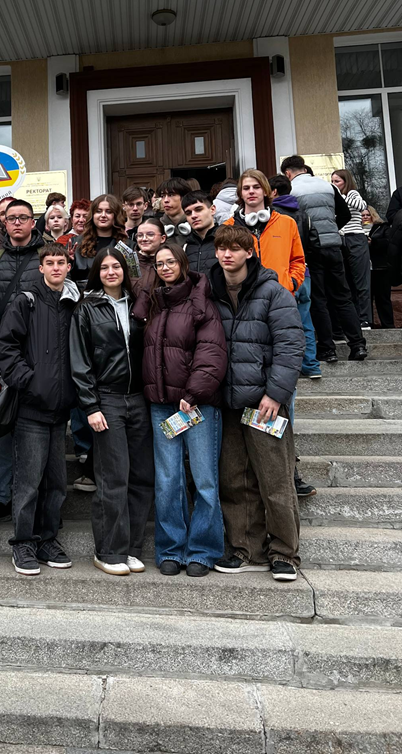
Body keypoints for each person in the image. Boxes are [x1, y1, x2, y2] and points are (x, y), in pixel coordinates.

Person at [208, 225, 304, 583]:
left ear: (250, 252)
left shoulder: (273, 292)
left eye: (235, 248)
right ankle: (247, 549)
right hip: (228, 403)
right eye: (221, 248)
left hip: (265, 403)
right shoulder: (210, 291)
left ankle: (284, 553)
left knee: (275, 480)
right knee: (234, 481)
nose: (226, 254)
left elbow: (290, 345)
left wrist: (276, 394)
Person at [135, 241, 227, 577]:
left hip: (196, 405)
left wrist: (194, 392)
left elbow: (212, 351)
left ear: (183, 264)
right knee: (167, 480)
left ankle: (202, 550)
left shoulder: (200, 301)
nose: (165, 268)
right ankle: (171, 548)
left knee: (204, 479)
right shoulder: (154, 303)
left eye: (171, 261)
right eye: (159, 263)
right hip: (162, 405)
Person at [0, 242, 79, 575]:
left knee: (56, 483)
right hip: (31, 408)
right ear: (41, 267)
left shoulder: (74, 303)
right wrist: (30, 382)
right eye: (50, 262)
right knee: (28, 482)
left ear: (68, 266)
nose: (56, 267)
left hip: (61, 410)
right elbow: (7, 348)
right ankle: (23, 543)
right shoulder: (26, 301)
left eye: (61, 262)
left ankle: (47, 540)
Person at [71, 248, 152, 577]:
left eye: (116, 266)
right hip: (107, 399)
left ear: (125, 270)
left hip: (140, 399)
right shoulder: (87, 308)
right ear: (97, 273)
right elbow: (79, 361)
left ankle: (131, 548)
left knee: (141, 477)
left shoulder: (139, 305)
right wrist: (90, 405)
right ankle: (108, 550)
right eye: (104, 267)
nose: (110, 272)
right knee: (113, 477)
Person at [0, 199, 45, 525]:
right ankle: (1, 495)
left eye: (23, 217)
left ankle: (37, 499)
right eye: (12, 218)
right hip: (1, 354)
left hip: (39, 353)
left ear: (33, 222)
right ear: (3, 223)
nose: (17, 222)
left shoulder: (46, 257)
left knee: (36, 430)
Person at [281, 155, 366, 362]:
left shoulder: (292, 190)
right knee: (343, 296)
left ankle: (327, 348)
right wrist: (331, 230)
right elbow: (345, 214)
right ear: (304, 168)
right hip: (334, 246)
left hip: (312, 250)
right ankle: (358, 345)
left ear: (288, 173)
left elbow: (295, 221)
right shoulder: (329, 186)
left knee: (318, 299)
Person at [268, 174, 321, 382]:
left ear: (273, 192)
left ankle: (286, 367)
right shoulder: (303, 213)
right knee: (305, 320)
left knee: (280, 323)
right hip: (303, 273)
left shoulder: (272, 215)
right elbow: (315, 243)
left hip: (282, 274)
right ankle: (311, 365)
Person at [226, 170, 305, 295]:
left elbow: (297, 260)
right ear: (240, 193)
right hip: (245, 297)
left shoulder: (287, 223)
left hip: (281, 295)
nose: (251, 191)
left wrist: (291, 283)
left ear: (265, 191)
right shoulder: (228, 227)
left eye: (256, 187)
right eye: (246, 188)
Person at [331, 169, 372, 329]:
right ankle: (352, 319)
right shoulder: (333, 198)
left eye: (337, 181)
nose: (334, 184)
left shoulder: (352, 193)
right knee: (346, 283)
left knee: (361, 282)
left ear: (345, 182)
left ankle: (365, 319)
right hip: (340, 240)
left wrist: (341, 197)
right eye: (332, 181)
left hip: (355, 239)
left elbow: (362, 206)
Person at [70, 194, 134, 289]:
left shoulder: (128, 245)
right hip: (83, 295)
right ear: (92, 215)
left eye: (108, 211)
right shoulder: (76, 243)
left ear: (116, 215)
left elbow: (133, 279)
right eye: (98, 211)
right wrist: (68, 261)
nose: (103, 215)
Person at [368, 207, 394, 328]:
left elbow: (388, 242)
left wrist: (373, 242)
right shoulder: (355, 230)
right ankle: (368, 323)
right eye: (362, 215)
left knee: (383, 298)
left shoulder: (382, 227)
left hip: (380, 268)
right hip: (364, 269)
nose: (365, 217)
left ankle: (388, 325)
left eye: (367, 215)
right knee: (366, 298)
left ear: (373, 215)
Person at [182, 192, 218, 275]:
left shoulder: (227, 239)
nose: (193, 216)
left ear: (212, 209)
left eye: (198, 209)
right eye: (188, 213)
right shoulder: (186, 247)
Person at [132, 217, 166, 294]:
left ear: (163, 238)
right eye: (140, 235)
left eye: (150, 234)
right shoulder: (129, 261)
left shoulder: (171, 262)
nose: (144, 239)